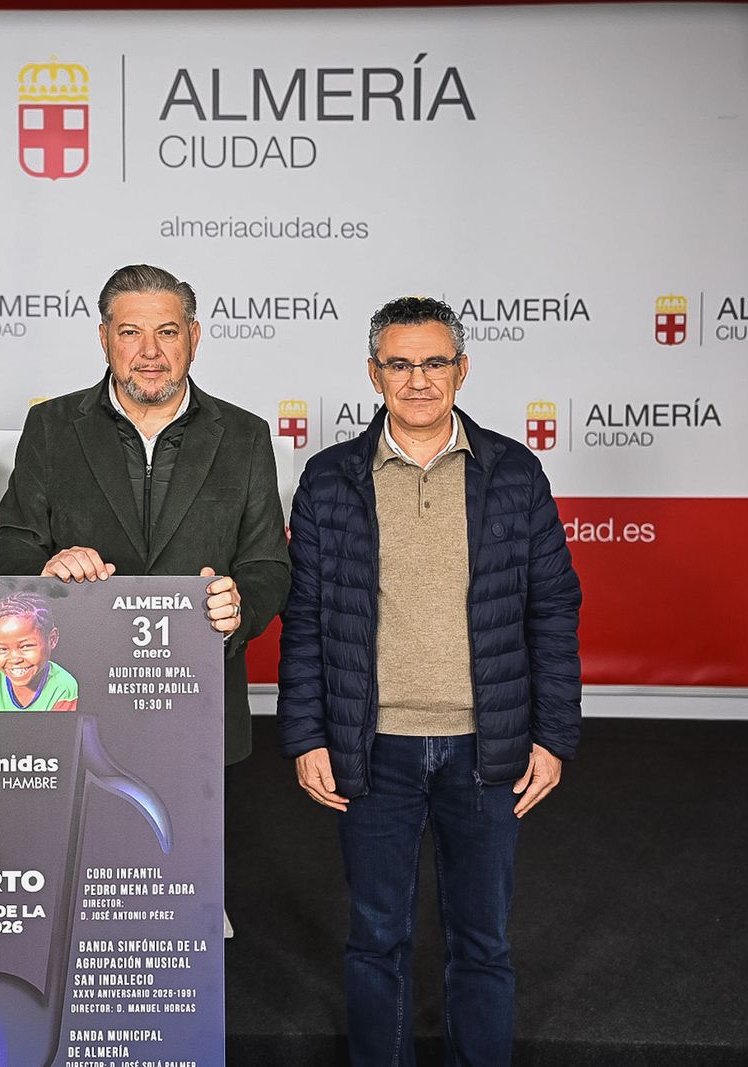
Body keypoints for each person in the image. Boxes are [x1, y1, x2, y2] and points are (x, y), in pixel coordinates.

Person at [277, 295, 582, 1065]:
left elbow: (553, 609)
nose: (418, 380)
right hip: (372, 746)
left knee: (482, 940)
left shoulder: (514, 471)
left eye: (435, 362)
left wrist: (554, 736)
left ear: (462, 369)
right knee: (377, 936)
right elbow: (307, 614)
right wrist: (307, 733)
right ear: (374, 373)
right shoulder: (328, 478)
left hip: (490, 746)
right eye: (401, 363)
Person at [0, 263, 291, 763]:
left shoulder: (244, 435)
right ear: (105, 338)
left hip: (202, 711)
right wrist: (45, 570)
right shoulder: (51, 427)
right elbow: (8, 544)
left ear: (193, 337)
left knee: (195, 845)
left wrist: (240, 610)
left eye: (167, 332)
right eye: (131, 332)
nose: (150, 351)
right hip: (78, 706)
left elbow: (267, 566)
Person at [0, 590, 78, 711]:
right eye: (3, 649)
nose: (14, 659)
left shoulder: (64, 686)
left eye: (26, 646)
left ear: (52, 639)